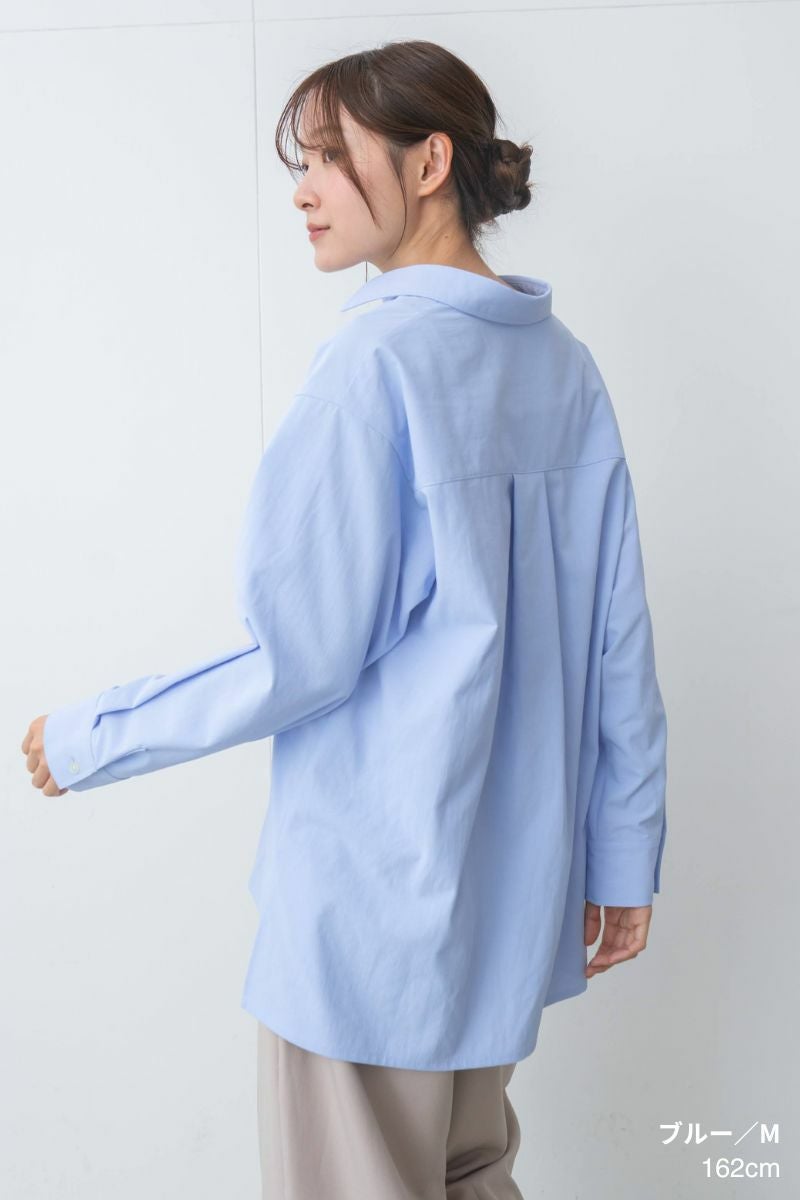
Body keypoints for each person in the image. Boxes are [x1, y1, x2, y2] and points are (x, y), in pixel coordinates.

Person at [22, 38, 668, 1200]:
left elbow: (296, 657)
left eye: (329, 155)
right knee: (472, 1178)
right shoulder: (562, 368)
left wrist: (90, 736)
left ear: (428, 163)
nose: (303, 188)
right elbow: (616, 638)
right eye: (302, 162)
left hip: (368, 922)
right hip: (504, 913)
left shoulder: (371, 364)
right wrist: (621, 855)